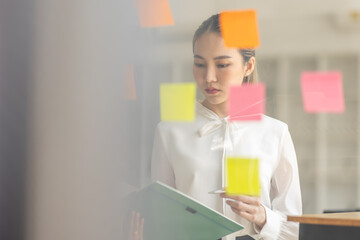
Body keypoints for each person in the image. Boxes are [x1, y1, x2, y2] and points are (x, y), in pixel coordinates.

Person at [151, 14, 302, 240]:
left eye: (222, 64)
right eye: (199, 64)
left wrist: (263, 218)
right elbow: (158, 218)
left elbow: (294, 229)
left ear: (248, 66)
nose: (209, 77)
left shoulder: (275, 133)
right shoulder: (169, 132)